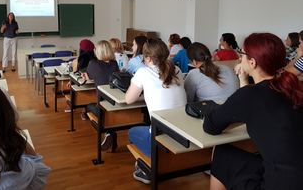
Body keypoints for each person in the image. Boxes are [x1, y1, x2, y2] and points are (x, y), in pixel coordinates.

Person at [203, 33, 303, 190]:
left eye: (242, 54)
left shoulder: (251, 95)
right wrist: (243, 80)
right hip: (294, 177)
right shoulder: (294, 88)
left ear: (252, 62)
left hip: (279, 184)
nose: (240, 58)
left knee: (222, 153)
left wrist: (213, 108)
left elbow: (210, 126)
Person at [125, 38, 187, 184]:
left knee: (132, 133)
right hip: (183, 135)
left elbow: (128, 99)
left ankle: (147, 167)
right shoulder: (177, 70)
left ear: (147, 57)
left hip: (160, 139)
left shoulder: (143, 72)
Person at [82, 40, 119, 142]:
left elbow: (89, 78)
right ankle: (109, 133)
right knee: (106, 112)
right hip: (115, 103)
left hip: (101, 104)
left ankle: (107, 131)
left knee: (88, 106)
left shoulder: (93, 64)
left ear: (97, 52)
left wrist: (86, 76)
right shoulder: (115, 63)